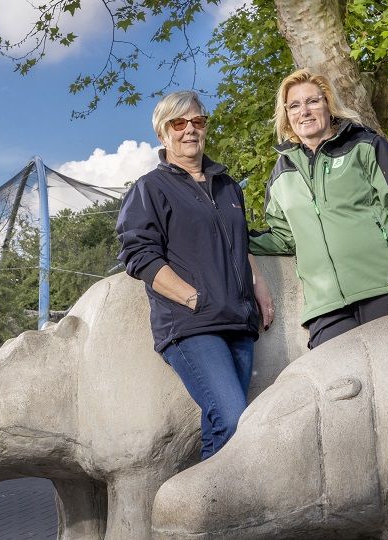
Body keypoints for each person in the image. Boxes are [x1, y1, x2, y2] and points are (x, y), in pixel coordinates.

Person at [116, 90, 274, 460]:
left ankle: (216, 512)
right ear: (162, 133)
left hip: (237, 322)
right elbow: (138, 255)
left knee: (224, 425)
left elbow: (239, 242)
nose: (190, 130)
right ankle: (201, 512)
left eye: (197, 121)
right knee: (233, 419)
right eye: (178, 123)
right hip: (192, 326)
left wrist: (260, 288)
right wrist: (193, 299)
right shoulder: (149, 189)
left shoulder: (227, 186)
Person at [250, 68, 388, 349]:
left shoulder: (366, 146)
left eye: (313, 101)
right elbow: (284, 238)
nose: (305, 112)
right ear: (286, 114)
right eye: (295, 105)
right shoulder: (279, 176)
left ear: (328, 104)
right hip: (326, 309)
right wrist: (234, 237)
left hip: (385, 290)